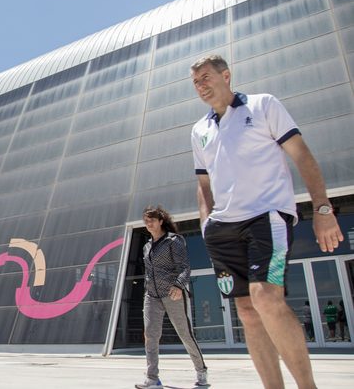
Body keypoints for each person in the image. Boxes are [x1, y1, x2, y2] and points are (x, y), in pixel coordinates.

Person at [190, 54, 344, 389]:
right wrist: (206, 224)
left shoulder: (262, 106)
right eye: (196, 82)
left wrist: (322, 209)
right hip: (222, 228)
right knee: (246, 311)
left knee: (265, 296)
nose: (201, 86)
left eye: (205, 77)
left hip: (266, 216)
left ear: (226, 75)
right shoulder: (199, 130)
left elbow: (302, 154)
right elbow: (204, 184)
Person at [135, 206, 208, 389]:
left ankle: (201, 371)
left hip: (172, 294)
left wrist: (178, 285)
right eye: (146, 220)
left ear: (161, 221)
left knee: (185, 333)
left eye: (152, 219)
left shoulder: (173, 241)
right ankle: (153, 379)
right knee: (150, 335)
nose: (148, 223)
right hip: (152, 295)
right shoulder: (147, 246)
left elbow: (184, 267)